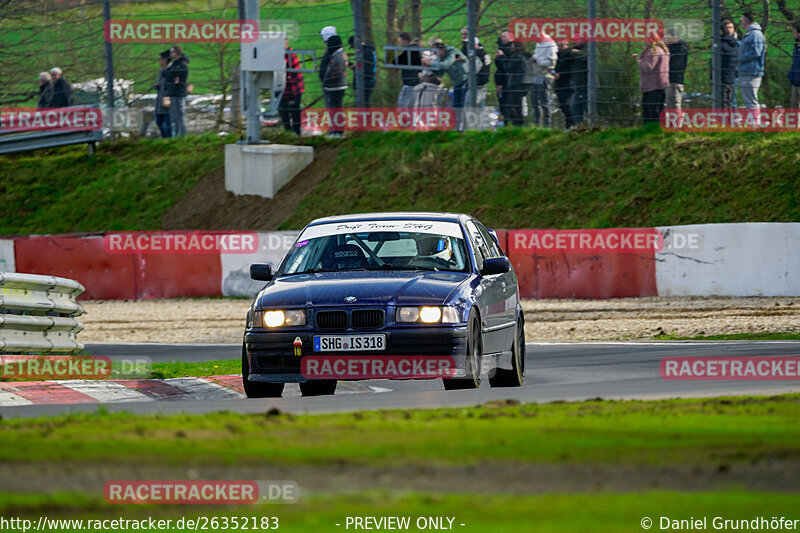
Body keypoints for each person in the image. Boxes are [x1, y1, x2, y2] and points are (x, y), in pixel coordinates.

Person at [423, 38, 468, 130]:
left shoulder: (453, 53)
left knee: (464, 105)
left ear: (441, 50)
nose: (435, 55)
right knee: (456, 105)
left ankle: (466, 128)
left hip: (466, 80)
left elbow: (446, 65)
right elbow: (440, 72)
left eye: (436, 52)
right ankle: (457, 128)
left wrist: (430, 63)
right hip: (457, 83)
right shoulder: (442, 57)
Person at [319, 34, 348, 136]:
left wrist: (325, 81)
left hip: (334, 87)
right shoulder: (340, 53)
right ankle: (336, 130)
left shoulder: (336, 57)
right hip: (338, 85)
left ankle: (336, 131)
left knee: (334, 110)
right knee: (336, 109)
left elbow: (333, 73)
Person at [736, 12, 766, 110]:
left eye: (741, 21)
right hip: (747, 71)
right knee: (749, 100)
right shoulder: (750, 34)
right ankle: (753, 122)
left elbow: (756, 52)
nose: (740, 23)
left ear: (745, 21)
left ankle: (754, 123)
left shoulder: (755, 34)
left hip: (752, 72)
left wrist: (739, 58)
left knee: (751, 100)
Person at [461, 36, 491, 129]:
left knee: (470, 107)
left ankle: (470, 129)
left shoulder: (478, 55)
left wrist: (462, 64)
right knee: (479, 108)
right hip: (481, 84)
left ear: (475, 44)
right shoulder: (483, 53)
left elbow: (470, 70)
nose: (466, 47)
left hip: (476, 86)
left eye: (468, 44)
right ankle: (479, 129)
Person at [636, 40, 670, 124]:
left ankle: (649, 130)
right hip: (661, 84)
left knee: (649, 112)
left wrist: (638, 60)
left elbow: (648, 67)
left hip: (651, 85)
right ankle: (657, 130)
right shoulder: (663, 50)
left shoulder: (653, 51)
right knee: (658, 109)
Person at [530, 32, 558, 127]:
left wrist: (536, 60)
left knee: (544, 101)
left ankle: (547, 124)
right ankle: (537, 124)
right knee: (534, 101)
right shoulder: (539, 43)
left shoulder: (550, 44)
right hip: (536, 75)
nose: (534, 39)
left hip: (545, 75)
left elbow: (551, 61)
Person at [280, 40, 305, 136]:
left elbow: (291, 73)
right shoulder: (279, 54)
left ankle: (296, 132)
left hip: (293, 88)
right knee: (283, 111)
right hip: (284, 88)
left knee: (294, 110)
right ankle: (288, 131)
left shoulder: (290, 55)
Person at [504, 41, 530, 126]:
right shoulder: (524, 56)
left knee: (513, 104)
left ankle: (517, 122)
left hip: (516, 83)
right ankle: (518, 121)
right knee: (518, 103)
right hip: (523, 82)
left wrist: (501, 58)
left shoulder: (516, 56)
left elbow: (508, 68)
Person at [165, 45, 189, 136]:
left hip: (178, 92)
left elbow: (172, 75)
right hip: (173, 92)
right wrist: (172, 77)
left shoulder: (182, 64)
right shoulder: (174, 64)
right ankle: (176, 136)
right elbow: (168, 76)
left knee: (179, 116)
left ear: (176, 52)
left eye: (172, 52)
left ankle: (181, 136)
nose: (170, 54)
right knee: (174, 117)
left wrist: (172, 77)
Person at [348, 35, 377, 107]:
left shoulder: (366, 52)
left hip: (366, 82)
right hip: (366, 81)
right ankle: (365, 117)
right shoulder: (367, 51)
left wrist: (355, 68)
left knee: (364, 104)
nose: (354, 49)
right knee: (363, 104)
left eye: (353, 46)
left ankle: (366, 118)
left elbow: (366, 68)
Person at [394, 32, 421, 107]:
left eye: (400, 40)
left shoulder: (409, 50)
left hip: (410, 82)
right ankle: (412, 118)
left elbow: (397, 60)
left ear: (404, 40)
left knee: (403, 104)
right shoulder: (416, 49)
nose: (400, 43)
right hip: (415, 81)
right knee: (413, 106)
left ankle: (405, 118)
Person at [554, 41, 577, 128]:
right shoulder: (559, 56)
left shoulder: (569, 54)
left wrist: (560, 73)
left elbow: (568, 68)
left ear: (567, 45)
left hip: (568, 84)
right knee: (563, 106)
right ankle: (569, 125)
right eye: (558, 45)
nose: (559, 47)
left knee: (568, 106)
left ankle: (574, 124)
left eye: (561, 45)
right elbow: (557, 68)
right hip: (560, 84)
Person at [665, 29, 689, 111]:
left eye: (668, 37)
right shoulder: (673, 48)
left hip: (675, 79)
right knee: (670, 104)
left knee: (675, 103)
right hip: (670, 79)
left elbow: (676, 65)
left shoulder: (679, 48)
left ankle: (676, 123)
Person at [494, 31, 514, 125]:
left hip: (507, 82)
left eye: (505, 36)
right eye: (502, 36)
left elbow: (506, 68)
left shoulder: (511, 50)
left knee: (508, 105)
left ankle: (509, 124)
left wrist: (501, 57)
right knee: (502, 104)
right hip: (501, 81)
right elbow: (499, 67)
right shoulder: (502, 48)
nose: (502, 38)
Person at [719, 20, 739, 108]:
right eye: (727, 28)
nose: (729, 30)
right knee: (730, 101)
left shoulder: (720, 43)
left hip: (731, 75)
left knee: (726, 101)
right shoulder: (735, 44)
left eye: (731, 27)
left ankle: (725, 120)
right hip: (731, 75)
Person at [152, 50, 172, 138]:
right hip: (160, 99)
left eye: (160, 59)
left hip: (167, 99)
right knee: (158, 121)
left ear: (165, 60)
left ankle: (168, 139)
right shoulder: (161, 71)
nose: (158, 61)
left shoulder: (171, 71)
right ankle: (165, 138)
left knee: (167, 122)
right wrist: (157, 86)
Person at [788, 23, 800, 109]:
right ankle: (796, 122)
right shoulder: (796, 47)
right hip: (795, 81)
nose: (794, 35)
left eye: (795, 33)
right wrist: (791, 75)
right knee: (794, 107)